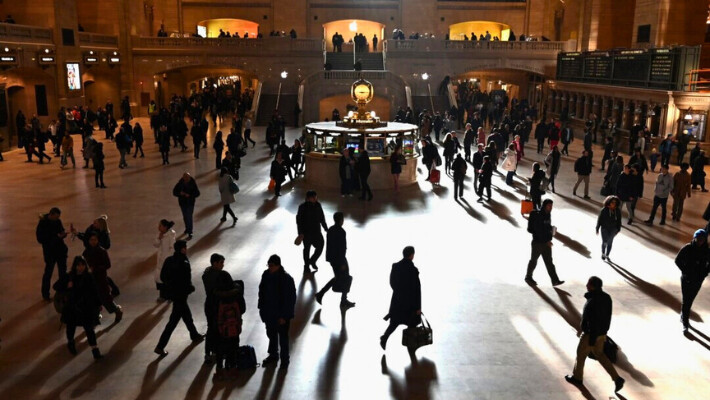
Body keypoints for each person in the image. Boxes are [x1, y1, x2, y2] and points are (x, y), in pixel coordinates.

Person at [564, 276, 625, 393]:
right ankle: (617, 379)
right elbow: (607, 316)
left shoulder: (593, 301)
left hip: (591, 335)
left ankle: (577, 378)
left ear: (592, 286)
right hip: (602, 333)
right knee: (600, 355)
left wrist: (591, 338)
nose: (586, 285)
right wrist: (604, 332)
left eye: (588, 284)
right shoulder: (606, 297)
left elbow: (593, 320)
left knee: (580, 354)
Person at [155, 240, 203, 356]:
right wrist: (190, 288)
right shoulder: (184, 261)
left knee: (185, 316)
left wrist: (170, 286)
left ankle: (194, 335)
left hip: (173, 294)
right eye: (185, 247)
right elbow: (186, 279)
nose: (186, 249)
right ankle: (160, 346)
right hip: (181, 294)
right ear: (182, 249)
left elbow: (163, 276)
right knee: (173, 321)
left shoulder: (168, 260)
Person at [202, 253, 245, 376]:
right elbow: (242, 308)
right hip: (223, 317)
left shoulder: (207, 275)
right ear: (214, 263)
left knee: (213, 332)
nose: (223, 265)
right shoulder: (223, 282)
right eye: (221, 262)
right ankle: (230, 366)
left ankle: (213, 358)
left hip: (212, 309)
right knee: (229, 341)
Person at [258, 254, 297, 369]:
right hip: (269, 312)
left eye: (272, 265)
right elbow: (261, 292)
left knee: (283, 337)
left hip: (281, 315)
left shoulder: (286, 279)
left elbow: (290, 299)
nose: (269, 267)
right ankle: (273, 354)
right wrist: (261, 309)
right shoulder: (266, 275)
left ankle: (285, 360)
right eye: (268, 265)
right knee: (271, 334)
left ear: (278, 265)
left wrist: (284, 316)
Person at [380, 246, 422, 351]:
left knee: (394, 322)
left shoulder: (396, 266)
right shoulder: (413, 270)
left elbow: (392, 282)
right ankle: (411, 345)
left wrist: (398, 291)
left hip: (398, 300)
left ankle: (384, 337)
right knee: (411, 323)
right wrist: (418, 307)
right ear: (412, 255)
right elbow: (417, 291)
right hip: (410, 303)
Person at [62, 256, 103, 360]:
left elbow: (94, 291)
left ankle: (95, 351)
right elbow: (57, 286)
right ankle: (71, 342)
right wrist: (68, 286)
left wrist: (98, 304)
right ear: (75, 266)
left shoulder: (88, 277)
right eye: (78, 265)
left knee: (89, 329)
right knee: (71, 327)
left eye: (82, 265)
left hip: (86, 308)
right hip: (73, 307)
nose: (80, 267)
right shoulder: (70, 276)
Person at [315, 212, 355, 308]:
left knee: (339, 277)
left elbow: (330, 246)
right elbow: (341, 248)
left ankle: (321, 294)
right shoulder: (341, 232)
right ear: (341, 220)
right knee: (346, 278)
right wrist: (342, 262)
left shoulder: (330, 230)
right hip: (340, 260)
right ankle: (343, 300)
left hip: (332, 259)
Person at [82, 232, 123, 323]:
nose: (93, 242)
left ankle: (117, 310)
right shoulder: (86, 252)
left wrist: (95, 268)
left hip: (100, 279)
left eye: (95, 240)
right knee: (93, 299)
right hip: (91, 280)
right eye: (91, 240)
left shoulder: (102, 251)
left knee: (105, 299)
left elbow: (107, 265)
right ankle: (96, 316)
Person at [675, 230, 710, 333]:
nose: (700, 241)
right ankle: (685, 321)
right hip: (687, 278)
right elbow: (677, 260)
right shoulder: (688, 248)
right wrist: (685, 271)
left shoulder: (707, 251)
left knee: (690, 299)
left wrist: (705, 273)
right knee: (687, 300)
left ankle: (683, 315)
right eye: (698, 239)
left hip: (698, 279)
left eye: (702, 239)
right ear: (695, 238)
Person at [525, 199, 564, 286]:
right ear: (544, 206)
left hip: (546, 242)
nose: (551, 208)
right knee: (534, 261)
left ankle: (555, 280)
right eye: (549, 206)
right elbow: (538, 230)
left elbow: (546, 226)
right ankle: (528, 277)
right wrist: (547, 241)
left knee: (549, 262)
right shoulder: (539, 215)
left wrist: (551, 229)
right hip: (538, 243)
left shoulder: (547, 214)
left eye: (551, 206)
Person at [36, 207, 69, 300]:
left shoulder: (57, 221)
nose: (57, 219)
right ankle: (45, 294)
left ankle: (62, 292)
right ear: (51, 214)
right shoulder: (42, 223)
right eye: (56, 217)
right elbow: (40, 239)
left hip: (60, 251)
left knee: (62, 273)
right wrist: (56, 237)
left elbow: (61, 230)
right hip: (50, 252)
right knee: (48, 273)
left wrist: (63, 234)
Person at [296, 190, 328, 273]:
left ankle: (312, 260)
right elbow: (299, 221)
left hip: (317, 231)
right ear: (307, 198)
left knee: (320, 245)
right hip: (306, 233)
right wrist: (300, 233)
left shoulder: (318, 205)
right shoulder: (302, 207)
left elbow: (322, 218)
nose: (315, 198)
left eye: (315, 197)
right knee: (307, 249)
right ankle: (306, 266)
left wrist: (325, 228)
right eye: (313, 197)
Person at [172, 172, 200, 239]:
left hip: (190, 203)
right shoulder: (180, 183)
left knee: (189, 216)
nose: (186, 180)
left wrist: (190, 195)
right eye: (185, 178)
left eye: (187, 178)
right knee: (185, 216)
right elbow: (174, 192)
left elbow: (197, 193)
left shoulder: (193, 184)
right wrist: (180, 193)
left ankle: (190, 231)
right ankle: (187, 228)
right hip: (183, 203)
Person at [153, 219, 176, 302]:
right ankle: (162, 296)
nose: (158, 227)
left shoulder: (170, 236)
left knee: (167, 279)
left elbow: (172, 248)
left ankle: (170, 296)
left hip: (166, 261)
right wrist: (159, 238)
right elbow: (155, 244)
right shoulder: (160, 235)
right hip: (160, 261)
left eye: (160, 226)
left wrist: (168, 259)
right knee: (160, 279)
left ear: (165, 227)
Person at [596, 196, 622, 261]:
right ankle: (603, 253)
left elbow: (619, 220)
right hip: (604, 228)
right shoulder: (604, 210)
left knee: (610, 242)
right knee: (604, 241)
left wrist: (618, 229)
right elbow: (599, 220)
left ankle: (607, 255)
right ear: (609, 202)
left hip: (613, 229)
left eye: (615, 203)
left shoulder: (617, 211)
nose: (613, 204)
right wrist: (597, 228)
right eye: (612, 202)